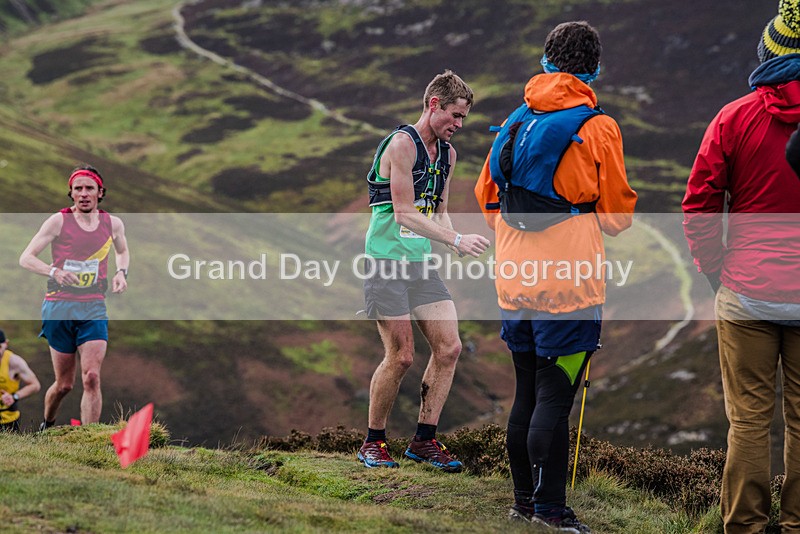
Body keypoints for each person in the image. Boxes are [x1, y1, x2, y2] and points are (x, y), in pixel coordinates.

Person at [474, 21, 637, 532]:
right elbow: (616, 218)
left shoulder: (515, 120)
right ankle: (550, 511)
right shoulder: (598, 127)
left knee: (526, 392)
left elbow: (487, 199)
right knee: (555, 396)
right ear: (593, 69)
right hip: (568, 286)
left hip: (514, 280)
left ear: (546, 60)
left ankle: (524, 502)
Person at [683, 1, 800, 531]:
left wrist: (715, 272)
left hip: (747, 291)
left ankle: (746, 527)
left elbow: (699, 204)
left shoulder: (735, 117)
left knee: (748, 421)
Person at [358, 70, 490, 471]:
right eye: (454, 115)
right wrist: (454, 240)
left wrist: (457, 243)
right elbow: (405, 214)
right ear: (434, 105)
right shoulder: (401, 145)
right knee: (400, 357)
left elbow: (441, 210)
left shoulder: (448, 155)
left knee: (449, 348)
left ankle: (424, 441)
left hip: (419, 265)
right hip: (385, 263)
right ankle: (373, 443)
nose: (459, 124)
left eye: (463, 118)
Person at [19, 165, 129, 428]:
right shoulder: (58, 221)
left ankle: (88, 439)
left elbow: (122, 251)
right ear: (71, 193)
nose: (83, 194)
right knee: (64, 384)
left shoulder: (112, 223)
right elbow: (25, 258)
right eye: (77, 189)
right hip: (59, 307)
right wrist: (53, 271)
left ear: (100, 192)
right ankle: (48, 422)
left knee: (91, 377)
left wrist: (122, 272)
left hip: (93, 306)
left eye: (89, 188)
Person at [0, 329, 41, 432]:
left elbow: (35, 385)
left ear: (6, 344)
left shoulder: (14, 362)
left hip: (8, 419)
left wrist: (14, 396)